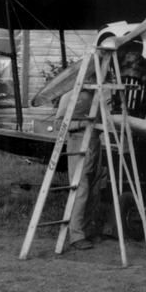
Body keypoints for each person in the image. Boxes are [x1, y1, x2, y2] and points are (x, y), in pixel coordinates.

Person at [55, 88, 104, 250]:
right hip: (77, 141)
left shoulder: (99, 94)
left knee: (94, 188)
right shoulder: (69, 95)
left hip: (95, 142)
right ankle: (76, 235)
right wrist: (83, 123)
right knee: (80, 188)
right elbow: (59, 124)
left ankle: (88, 230)